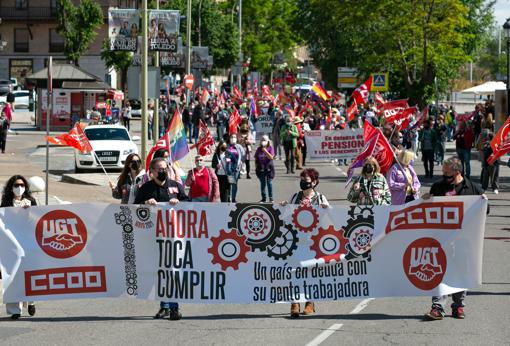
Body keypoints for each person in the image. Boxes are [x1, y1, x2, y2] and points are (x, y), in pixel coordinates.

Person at [422, 157, 487, 321]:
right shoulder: (438, 187)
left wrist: (484, 202)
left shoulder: (473, 189)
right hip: (442, 239)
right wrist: (424, 200)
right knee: (440, 271)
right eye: (443, 173)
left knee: (461, 272)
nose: (444, 177)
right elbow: (427, 208)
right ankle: (437, 307)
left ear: (458, 172)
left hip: (464, 241)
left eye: (448, 174)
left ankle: (458, 306)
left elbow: (484, 211)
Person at [134, 157, 188, 320]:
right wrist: (145, 203)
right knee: (161, 272)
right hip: (152, 237)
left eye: (165, 168)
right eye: (159, 169)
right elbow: (134, 208)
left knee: (173, 272)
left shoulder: (175, 186)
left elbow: (190, 204)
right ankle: (164, 305)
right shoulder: (145, 188)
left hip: (175, 237)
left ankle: (174, 307)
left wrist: (179, 202)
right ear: (151, 172)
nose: (163, 171)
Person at [280, 168, 329, 318]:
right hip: (296, 241)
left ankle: (309, 302)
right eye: (302, 180)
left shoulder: (321, 198)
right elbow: (286, 216)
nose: (303, 183)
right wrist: (283, 206)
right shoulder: (295, 197)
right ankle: (295, 303)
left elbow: (333, 217)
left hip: (313, 242)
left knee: (311, 273)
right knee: (295, 272)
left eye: (306, 181)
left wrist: (327, 210)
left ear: (314, 183)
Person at [1, 175, 37, 319]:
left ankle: (31, 301)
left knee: (29, 273)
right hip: (12, 246)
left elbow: (38, 220)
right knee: (13, 275)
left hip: (28, 243)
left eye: (21, 185)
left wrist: (30, 213)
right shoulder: (5, 204)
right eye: (16, 185)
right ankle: (15, 310)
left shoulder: (31, 202)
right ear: (11, 187)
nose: (19, 188)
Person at [477, 129, 499, 194]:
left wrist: (492, 160)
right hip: (486, 160)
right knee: (485, 175)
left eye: (483, 136)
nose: (482, 138)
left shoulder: (494, 141)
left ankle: (495, 188)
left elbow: (496, 151)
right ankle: (484, 188)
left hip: (494, 160)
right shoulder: (482, 141)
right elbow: (479, 147)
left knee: (494, 175)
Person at [254, 135, 275, 202]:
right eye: (262, 140)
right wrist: (256, 167)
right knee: (262, 183)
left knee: (269, 183)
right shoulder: (259, 149)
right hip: (261, 168)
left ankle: (271, 198)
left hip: (269, 168)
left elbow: (271, 157)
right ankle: (264, 198)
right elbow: (256, 158)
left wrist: (265, 151)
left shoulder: (270, 148)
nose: (263, 141)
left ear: (268, 141)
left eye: (265, 140)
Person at [225, 134, 245, 203]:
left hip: (236, 169)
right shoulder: (227, 146)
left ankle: (233, 198)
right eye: (231, 137)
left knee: (234, 184)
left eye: (234, 137)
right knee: (230, 183)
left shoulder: (239, 147)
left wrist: (242, 163)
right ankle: (228, 197)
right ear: (229, 138)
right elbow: (225, 156)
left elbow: (243, 155)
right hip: (229, 169)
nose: (233, 138)